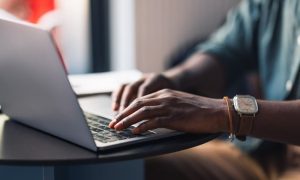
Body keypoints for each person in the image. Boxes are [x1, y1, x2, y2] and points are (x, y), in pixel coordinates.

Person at [109, 0, 300, 179]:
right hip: (264, 151)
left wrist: (224, 113)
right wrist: (175, 78)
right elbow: (228, 48)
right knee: (132, 166)